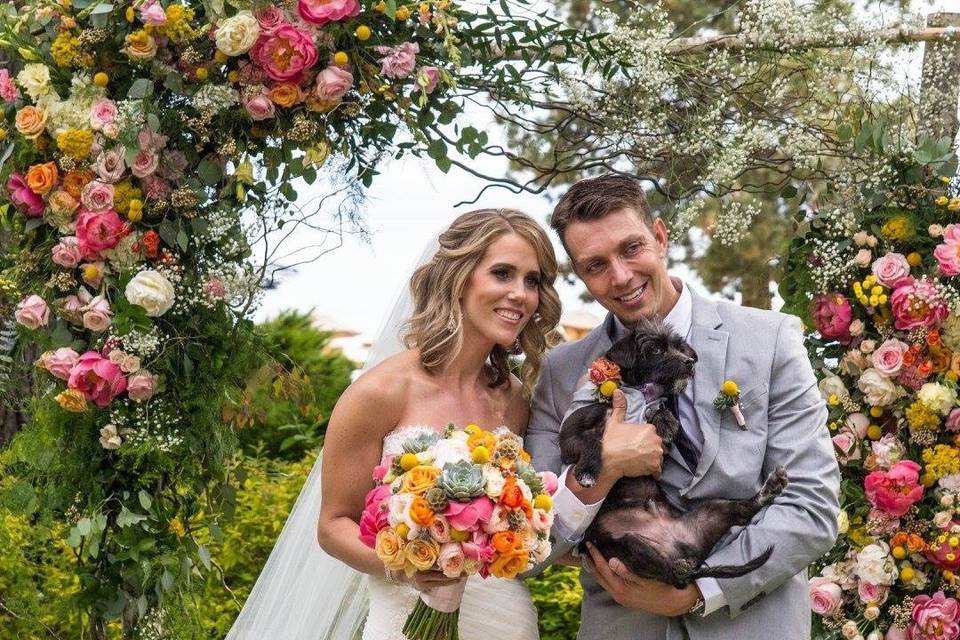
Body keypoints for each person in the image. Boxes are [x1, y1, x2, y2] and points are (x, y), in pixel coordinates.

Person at [524, 174, 840, 639]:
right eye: (595, 265)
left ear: (659, 236)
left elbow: (811, 506)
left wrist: (700, 591)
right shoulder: (561, 371)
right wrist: (602, 469)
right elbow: (534, 542)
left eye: (631, 248)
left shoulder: (769, 340)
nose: (621, 276)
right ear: (580, 273)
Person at [226, 208, 562, 640]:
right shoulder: (380, 392)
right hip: (404, 617)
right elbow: (333, 525)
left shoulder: (514, 398)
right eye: (502, 274)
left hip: (506, 619)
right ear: (459, 280)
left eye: (532, 281)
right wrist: (409, 566)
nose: (520, 294)